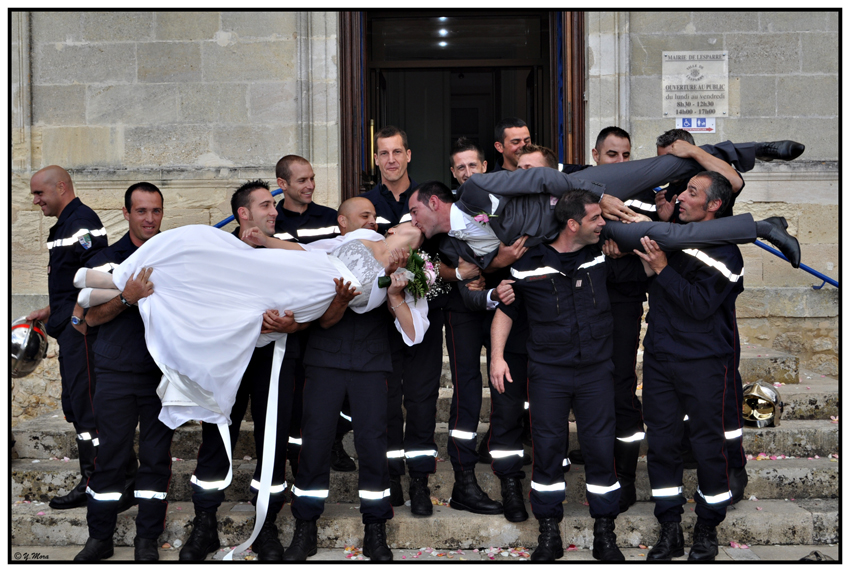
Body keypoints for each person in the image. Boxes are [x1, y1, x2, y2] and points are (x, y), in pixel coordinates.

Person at [489, 189, 648, 562]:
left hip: (596, 372)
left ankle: (604, 534)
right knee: (547, 451)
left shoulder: (602, 257)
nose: (602, 223)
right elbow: (506, 310)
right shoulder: (529, 263)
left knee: (600, 451)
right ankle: (549, 534)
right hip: (548, 374)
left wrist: (630, 245)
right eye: (595, 218)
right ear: (572, 224)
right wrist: (497, 358)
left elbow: (650, 266)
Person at [282, 222, 428, 562]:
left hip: (372, 361)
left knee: (373, 445)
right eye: (364, 215)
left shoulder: (411, 268)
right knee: (315, 442)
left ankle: (375, 528)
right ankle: (305, 526)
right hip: (324, 358)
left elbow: (414, 333)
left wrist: (394, 293)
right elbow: (301, 264)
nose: (370, 220)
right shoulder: (336, 247)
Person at [178, 180, 306, 562]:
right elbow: (198, 301)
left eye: (274, 205)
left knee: (273, 443)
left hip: (274, 359)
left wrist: (293, 323)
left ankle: (265, 526)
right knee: (216, 439)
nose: (274, 211)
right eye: (266, 205)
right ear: (243, 213)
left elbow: (311, 299)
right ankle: (204, 525)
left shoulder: (286, 249)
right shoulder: (216, 251)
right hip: (227, 359)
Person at [408, 147, 802, 270]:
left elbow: (543, 178)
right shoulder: (455, 247)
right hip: (582, 229)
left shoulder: (476, 189)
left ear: (434, 202)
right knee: (664, 235)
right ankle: (763, 228)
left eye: (414, 211)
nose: (412, 219)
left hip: (584, 188)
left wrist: (597, 195)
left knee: (664, 166)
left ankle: (750, 151)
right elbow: (488, 267)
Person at [634, 171, 745, 562]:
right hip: (661, 358)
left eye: (691, 193)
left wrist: (663, 269)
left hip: (704, 363)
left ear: (714, 205)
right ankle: (670, 528)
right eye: (683, 190)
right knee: (662, 446)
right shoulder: (673, 239)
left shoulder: (727, 253)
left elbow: (700, 305)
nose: (681, 197)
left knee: (708, 446)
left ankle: (706, 528)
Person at [72, 183, 170, 562]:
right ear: (126, 213)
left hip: (160, 374)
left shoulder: (173, 256)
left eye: (156, 210)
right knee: (110, 457)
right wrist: (127, 297)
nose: (149, 218)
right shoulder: (105, 260)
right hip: (114, 372)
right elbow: (89, 319)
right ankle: (100, 538)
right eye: (141, 210)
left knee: (156, 459)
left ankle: (147, 540)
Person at [362, 128, 449, 514]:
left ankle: (419, 481)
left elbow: (442, 250)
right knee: (386, 401)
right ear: (376, 159)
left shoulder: (426, 198)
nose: (391, 159)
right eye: (384, 153)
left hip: (424, 316)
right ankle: (392, 477)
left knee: (422, 401)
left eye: (397, 152)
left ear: (409, 155)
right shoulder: (368, 204)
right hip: (381, 321)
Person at [27, 165, 108, 510]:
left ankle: (96, 481)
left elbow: (100, 275)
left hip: (82, 333)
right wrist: (52, 310)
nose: (35, 201)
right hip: (70, 328)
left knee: (86, 408)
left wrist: (76, 315)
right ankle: (110, 476)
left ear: (60, 187)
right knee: (76, 406)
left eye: (39, 193)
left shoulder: (82, 222)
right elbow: (70, 282)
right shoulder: (65, 224)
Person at [271, 155, 350, 477]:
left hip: (328, 323)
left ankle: (333, 441)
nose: (310, 185)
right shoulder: (272, 222)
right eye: (302, 180)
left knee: (337, 394)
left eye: (312, 178)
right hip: (287, 326)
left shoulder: (332, 219)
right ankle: (295, 459)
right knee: (293, 399)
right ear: (282, 184)